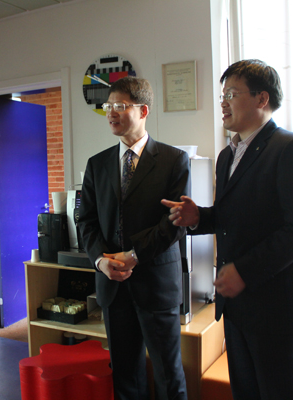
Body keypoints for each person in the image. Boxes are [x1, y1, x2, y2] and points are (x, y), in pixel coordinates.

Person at [162, 59, 293, 400]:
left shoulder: (292, 148)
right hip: (238, 309)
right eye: (222, 95)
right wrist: (199, 217)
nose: (223, 103)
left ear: (261, 99)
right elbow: (234, 217)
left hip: (278, 313)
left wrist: (244, 271)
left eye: (231, 94)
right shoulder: (228, 155)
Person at [77, 76, 189, 400]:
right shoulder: (97, 164)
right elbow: (85, 220)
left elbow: (175, 224)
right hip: (114, 287)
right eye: (108, 106)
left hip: (157, 284)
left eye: (120, 106)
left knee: (168, 374)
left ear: (143, 110)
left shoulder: (173, 160)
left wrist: (134, 255)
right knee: (125, 375)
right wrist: (100, 261)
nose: (111, 112)